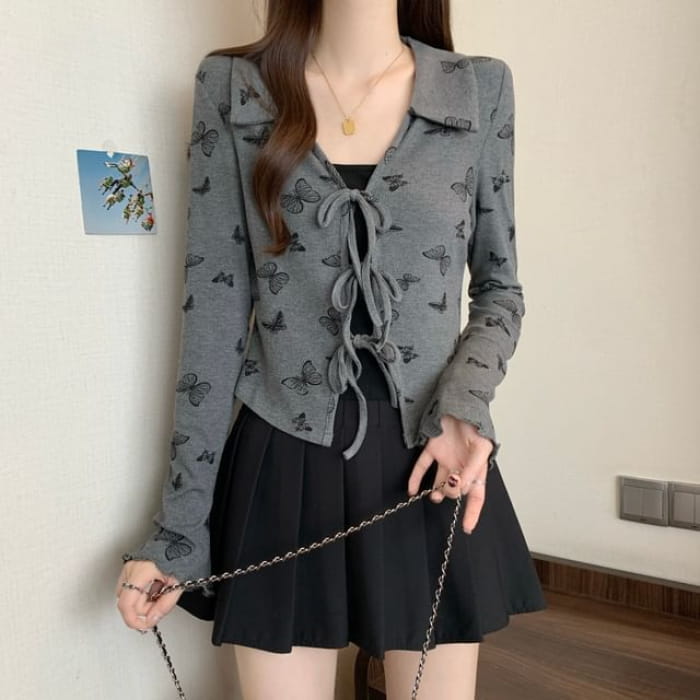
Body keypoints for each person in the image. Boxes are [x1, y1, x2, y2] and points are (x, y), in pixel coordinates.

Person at [115, 1, 547, 698]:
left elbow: (501, 290)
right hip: (281, 463)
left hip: (431, 461)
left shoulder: (477, 88)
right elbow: (213, 321)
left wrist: (465, 405)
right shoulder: (234, 89)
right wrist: (177, 530)